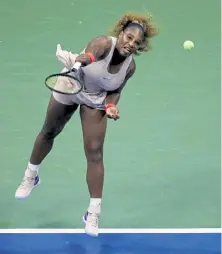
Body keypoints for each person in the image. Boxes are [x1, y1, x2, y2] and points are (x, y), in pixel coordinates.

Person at [15, 13, 158, 236]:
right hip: (71, 84)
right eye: (128, 37)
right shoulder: (102, 43)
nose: (130, 44)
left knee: (95, 152)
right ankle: (31, 176)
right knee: (49, 131)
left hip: (95, 97)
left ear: (140, 46)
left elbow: (115, 90)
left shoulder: (130, 68)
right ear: (120, 33)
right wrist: (78, 61)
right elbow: (90, 56)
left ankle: (93, 214)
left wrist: (111, 106)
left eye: (136, 42)